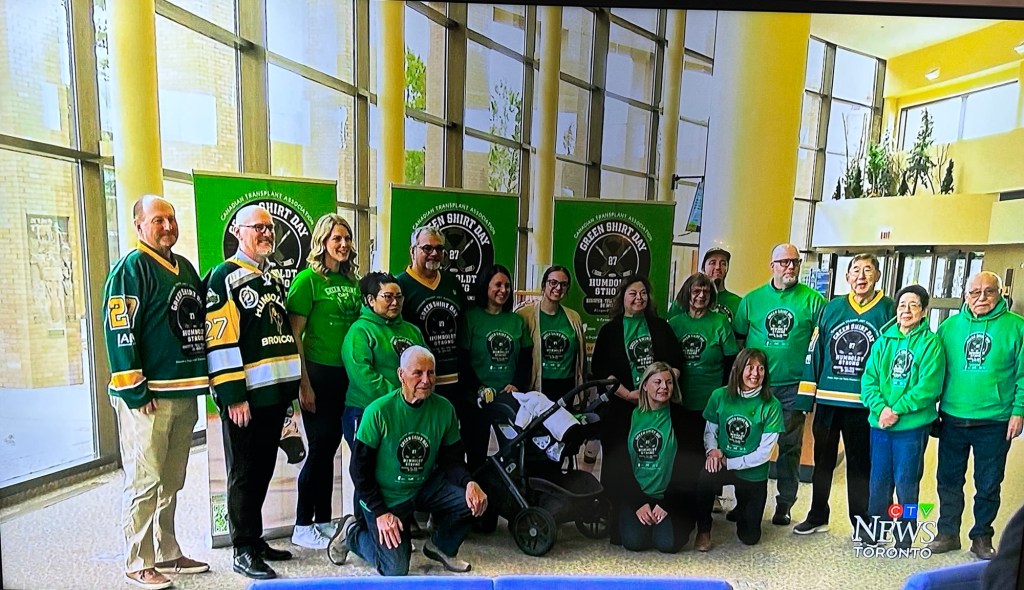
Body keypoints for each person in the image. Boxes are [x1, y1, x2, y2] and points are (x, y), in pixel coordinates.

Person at [103, 195, 210, 590]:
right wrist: (134, 388)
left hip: (183, 393)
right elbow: (120, 329)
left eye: (171, 218)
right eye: (157, 220)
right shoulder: (130, 269)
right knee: (144, 480)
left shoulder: (184, 267)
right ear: (139, 225)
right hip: (146, 398)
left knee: (171, 479)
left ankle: (167, 550)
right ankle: (137, 560)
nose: (167, 226)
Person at [327, 346, 488, 576]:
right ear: (401, 375)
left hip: (422, 487)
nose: (426, 380)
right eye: (418, 373)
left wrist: (469, 482)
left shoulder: (444, 409)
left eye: (431, 373)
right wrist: (380, 512)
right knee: (395, 569)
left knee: (472, 502)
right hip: (385, 496)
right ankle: (352, 532)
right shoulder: (378, 412)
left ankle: (441, 547)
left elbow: (452, 460)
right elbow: (359, 470)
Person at [204, 204, 302, 580]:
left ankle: (255, 537)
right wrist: (233, 395)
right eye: (258, 227)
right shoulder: (223, 277)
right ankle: (242, 548)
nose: (267, 233)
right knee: (243, 474)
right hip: (247, 398)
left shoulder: (273, 279)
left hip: (274, 395)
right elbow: (221, 340)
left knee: (262, 469)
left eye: (270, 228)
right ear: (239, 231)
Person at [793, 254, 895, 536]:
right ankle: (817, 514)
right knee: (822, 462)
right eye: (856, 271)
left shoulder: (889, 310)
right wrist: (805, 397)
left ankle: (861, 521)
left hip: (864, 404)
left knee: (860, 466)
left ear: (877, 276)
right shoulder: (832, 308)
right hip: (828, 399)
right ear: (847, 277)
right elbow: (815, 351)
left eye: (868, 271)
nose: (861, 277)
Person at [929, 271, 1024, 560]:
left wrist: (1019, 411)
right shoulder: (948, 328)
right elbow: (934, 373)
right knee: (948, 479)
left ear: (1000, 294)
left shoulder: (1016, 327)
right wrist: (929, 409)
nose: (981, 297)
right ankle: (947, 532)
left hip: (994, 420)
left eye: (988, 291)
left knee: (988, 482)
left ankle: (982, 536)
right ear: (965, 295)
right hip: (952, 418)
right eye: (975, 292)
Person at [733, 243, 826, 525]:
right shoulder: (751, 300)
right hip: (755, 387)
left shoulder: (813, 301)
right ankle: (744, 502)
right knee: (745, 442)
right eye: (784, 262)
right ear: (771, 265)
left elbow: (824, 341)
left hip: (792, 388)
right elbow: (739, 340)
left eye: (795, 262)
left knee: (789, 447)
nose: (790, 267)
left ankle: (784, 503)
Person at [286, 214, 361, 549]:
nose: (343, 244)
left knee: (330, 448)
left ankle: (323, 520)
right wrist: (303, 383)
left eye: (346, 238)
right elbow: (295, 335)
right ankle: (302, 524)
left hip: (346, 376)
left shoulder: (353, 282)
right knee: (319, 448)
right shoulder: (307, 281)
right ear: (323, 242)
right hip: (316, 374)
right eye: (336, 239)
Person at [590, 275, 682, 544]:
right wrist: (629, 394)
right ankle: (619, 512)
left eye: (643, 293)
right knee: (618, 461)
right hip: (621, 405)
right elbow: (601, 371)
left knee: (659, 454)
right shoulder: (610, 331)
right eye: (633, 293)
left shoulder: (660, 327)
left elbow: (676, 364)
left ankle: (661, 506)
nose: (638, 298)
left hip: (657, 404)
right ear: (622, 297)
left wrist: (659, 387)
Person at [861, 284, 945, 548]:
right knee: (878, 482)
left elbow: (928, 387)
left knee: (907, 484)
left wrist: (896, 409)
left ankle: (905, 533)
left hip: (910, 428)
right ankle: (875, 530)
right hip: (880, 425)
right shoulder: (883, 341)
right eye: (902, 305)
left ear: (923, 311)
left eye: (913, 305)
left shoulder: (931, 344)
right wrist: (881, 409)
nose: (906, 310)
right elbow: (868, 381)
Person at [666, 272, 738, 551]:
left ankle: (704, 527)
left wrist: (725, 403)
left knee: (704, 471)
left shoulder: (720, 323)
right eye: (696, 291)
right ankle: (681, 519)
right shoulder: (674, 324)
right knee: (680, 466)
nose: (700, 296)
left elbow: (732, 365)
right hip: (679, 407)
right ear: (687, 293)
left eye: (706, 292)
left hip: (710, 411)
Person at [701, 348, 785, 546]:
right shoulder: (719, 396)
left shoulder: (772, 405)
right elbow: (710, 431)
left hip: (752, 473)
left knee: (749, 538)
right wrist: (712, 452)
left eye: (760, 368)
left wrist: (729, 462)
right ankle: (703, 530)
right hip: (722, 462)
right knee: (704, 476)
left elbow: (765, 453)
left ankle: (742, 507)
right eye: (749, 367)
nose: (755, 374)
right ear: (738, 369)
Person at [457, 264, 534, 471]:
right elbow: (463, 359)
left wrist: (516, 384)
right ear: (485, 286)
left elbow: (526, 357)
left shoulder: (516, 320)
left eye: (507, 286)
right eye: (498, 285)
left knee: (512, 453)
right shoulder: (471, 317)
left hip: (507, 398)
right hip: (476, 401)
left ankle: (507, 498)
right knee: (475, 455)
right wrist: (478, 388)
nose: (503, 290)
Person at [395, 227, 467, 446]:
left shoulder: (452, 283)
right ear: (412, 251)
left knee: (451, 441)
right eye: (427, 248)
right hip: (420, 382)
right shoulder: (400, 285)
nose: (434, 253)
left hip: (454, 379)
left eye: (439, 249)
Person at [341, 272, 426, 450]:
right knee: (367, 471)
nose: (395, 302)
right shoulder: (360, 331)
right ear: (371, 300)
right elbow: (362, 375)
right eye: (387, 297)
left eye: (399, 297)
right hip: (366, 411)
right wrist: (400, 398)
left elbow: (426, 366)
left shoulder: (412, 331)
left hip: (408, 411)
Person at [617, 362, 690, 553]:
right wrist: (638, 503)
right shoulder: (626, 417)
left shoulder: (683, 418)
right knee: (634, 543)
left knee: (667, 544)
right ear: (644, 385)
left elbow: (689, 465)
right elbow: (619, 466)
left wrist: (668, 503)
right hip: (637, 496)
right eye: (657, 382)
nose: (664, 387)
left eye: (669, 382)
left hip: (669, 496)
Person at [516, 265, 587, 401]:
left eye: (563, 284)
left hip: (567, 388)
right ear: (544, 285)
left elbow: (581, 360)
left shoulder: (574, 317)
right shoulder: (525, 315)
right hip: (537, 388)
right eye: (553, 283)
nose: (558, 288)